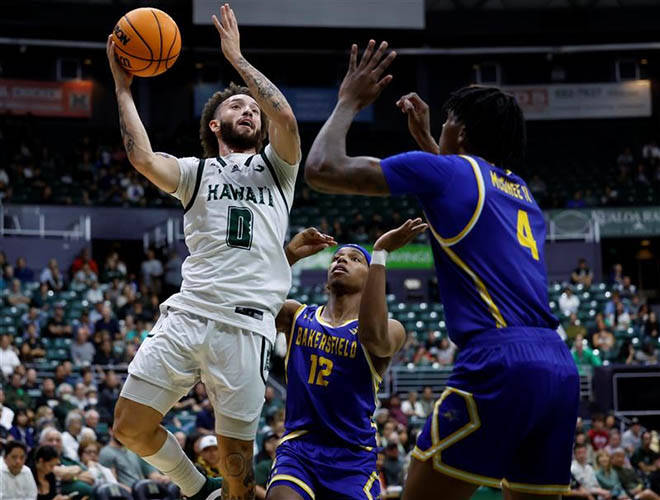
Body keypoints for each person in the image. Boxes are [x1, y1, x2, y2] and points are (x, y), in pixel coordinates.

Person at [304, 40, 579, 498]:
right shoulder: (522, 193)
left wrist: (348, 99)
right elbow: (462, 190)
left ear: (464, 133)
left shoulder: (448, 174)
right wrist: (432, 143)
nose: (443, 128)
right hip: (558, 368)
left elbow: (322, 169)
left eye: (449, 122)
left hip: (499, 362)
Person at [106, 3, 302, 498]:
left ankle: (221, 491)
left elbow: (284, 116)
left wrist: (237, 59)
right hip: (189, 311)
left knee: (239, 470)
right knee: (129, 427)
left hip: (245, 324)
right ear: (215, 125)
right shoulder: (195, 172)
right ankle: (198, 491)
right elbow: (142, 158)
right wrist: (124, 87)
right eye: (236, 107)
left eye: (252, 109)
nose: (249, 111)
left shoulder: (278, 171)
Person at [268, 221, 419, 500]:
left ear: (370, 275)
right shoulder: (297, 315)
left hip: (353, 458)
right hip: (299, 449)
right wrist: (288, 255)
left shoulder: (393, 328)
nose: (341, 260)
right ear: (326, 280)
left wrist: (381, 253)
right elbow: (248, 299)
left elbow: (374, 338)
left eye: (355, 259)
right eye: (337, 258)